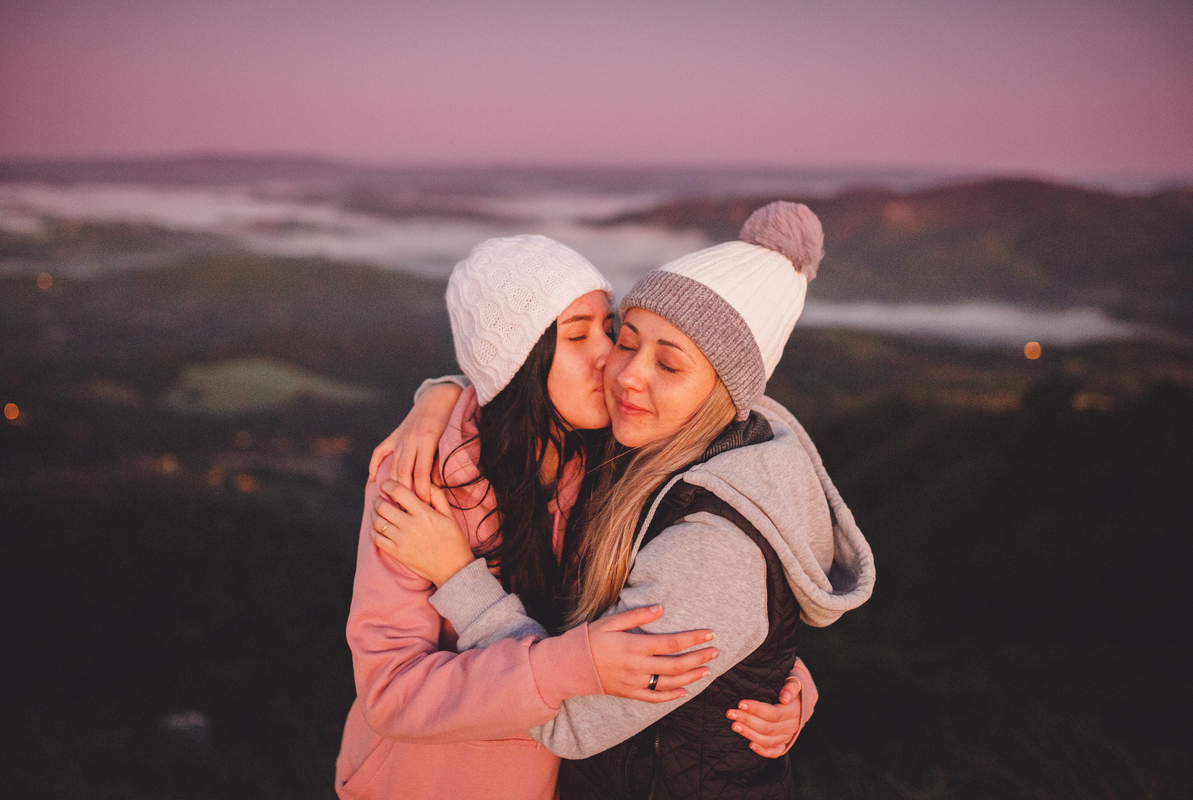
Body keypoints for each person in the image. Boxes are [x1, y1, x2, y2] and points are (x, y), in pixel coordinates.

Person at [374, 202, 875, 798]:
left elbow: (574, 718)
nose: (626, 374)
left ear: (724, 394)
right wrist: (442, 396)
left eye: (668, 363)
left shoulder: (711, 536)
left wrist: (458, 576)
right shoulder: (619, 449)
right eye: (625, 339)